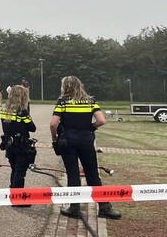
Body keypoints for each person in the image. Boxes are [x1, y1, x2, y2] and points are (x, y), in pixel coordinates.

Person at [50, 76, 121, 220]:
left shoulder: (63, 101)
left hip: (68, 142)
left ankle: (74, 208)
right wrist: (90, 127)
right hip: (86, 141)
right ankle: (105, 208)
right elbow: (101, 120)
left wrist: (54, 139)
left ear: (65, 87)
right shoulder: (91, 101)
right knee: (93, 174)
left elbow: (53, 124)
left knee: (73, 174)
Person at [0, 85, 36, 201]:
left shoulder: (4, 110)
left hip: (9, 144)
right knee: (20, 172)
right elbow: (32, 128)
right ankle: (18, 199)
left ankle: (12, 192)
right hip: (21, 145)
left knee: (14, 169)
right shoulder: (22, 111)